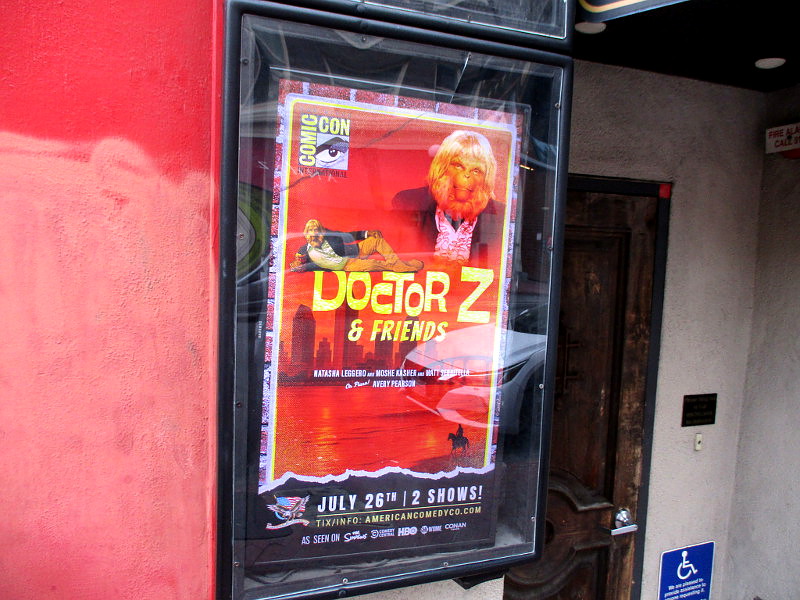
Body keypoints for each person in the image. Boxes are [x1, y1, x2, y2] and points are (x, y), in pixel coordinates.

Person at [392, 130, 502, 264]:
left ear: (486, 178)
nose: (466, 175)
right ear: (442, 167)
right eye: (458, 166)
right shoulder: (409, 202)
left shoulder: (500, 216)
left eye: (476, 170)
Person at [289, 219, 423, 273]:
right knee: (372, 264)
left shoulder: (330, 236)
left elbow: (347, 236)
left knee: (376, 240)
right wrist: (298, 265)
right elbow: (299, 263)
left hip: (356, 250)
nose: (314, 234)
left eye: (317, 231)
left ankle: (397, 264)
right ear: (306, 234)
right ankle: (404, 265)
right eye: (311, 232)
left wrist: (366, 233)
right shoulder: (306, 250)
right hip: (347, 263)